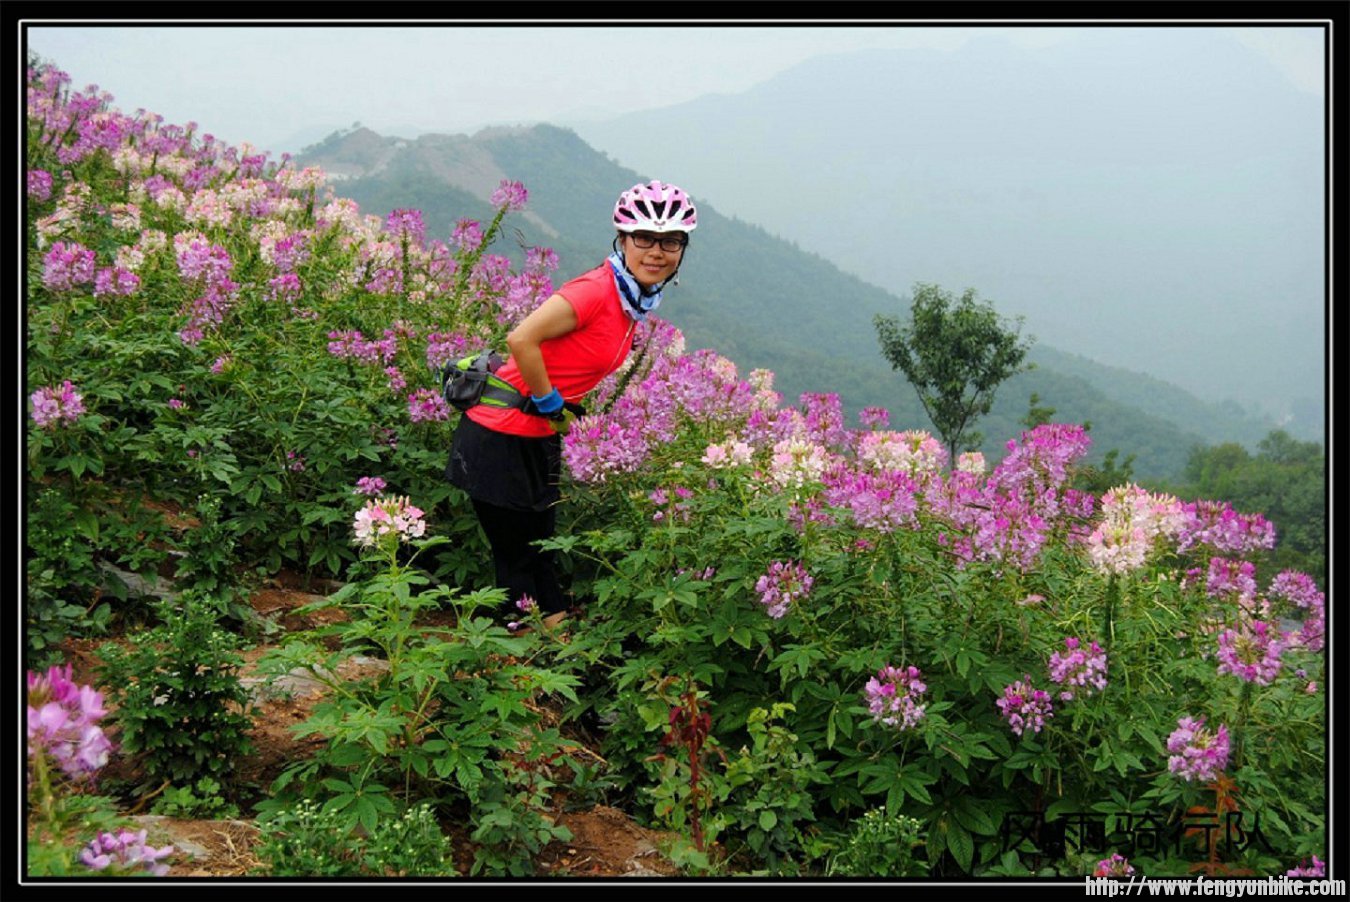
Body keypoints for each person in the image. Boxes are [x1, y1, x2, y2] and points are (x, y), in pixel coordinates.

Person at [447, 179, 698, 627]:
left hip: (536, 437)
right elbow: (521, 338)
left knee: (541, 547)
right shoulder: (596, 290)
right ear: (622, 239)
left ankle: (558, 643)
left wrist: (554, 413)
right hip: (499, 435)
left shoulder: (630, 302)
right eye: (644, 238)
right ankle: (515, 661)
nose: (657, 251)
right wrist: (548, 401)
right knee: (517, 556)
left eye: (671, 241)